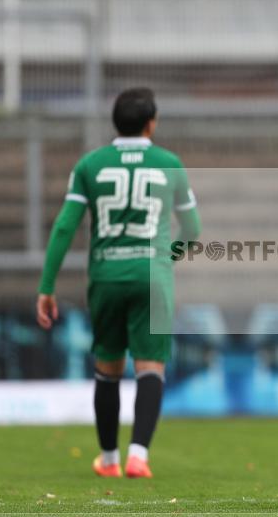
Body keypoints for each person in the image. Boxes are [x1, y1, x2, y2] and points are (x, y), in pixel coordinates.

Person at [36, 87, 200, 479]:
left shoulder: (90, 165)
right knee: (150, 368)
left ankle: (108, 458)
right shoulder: (169, 162)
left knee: (107, 369)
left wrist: (46, 285)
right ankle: (138, 455)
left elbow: (64, 228)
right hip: (150, 276)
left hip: (107, 275)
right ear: (151, 124)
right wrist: (165, 257)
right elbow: (192, 229)